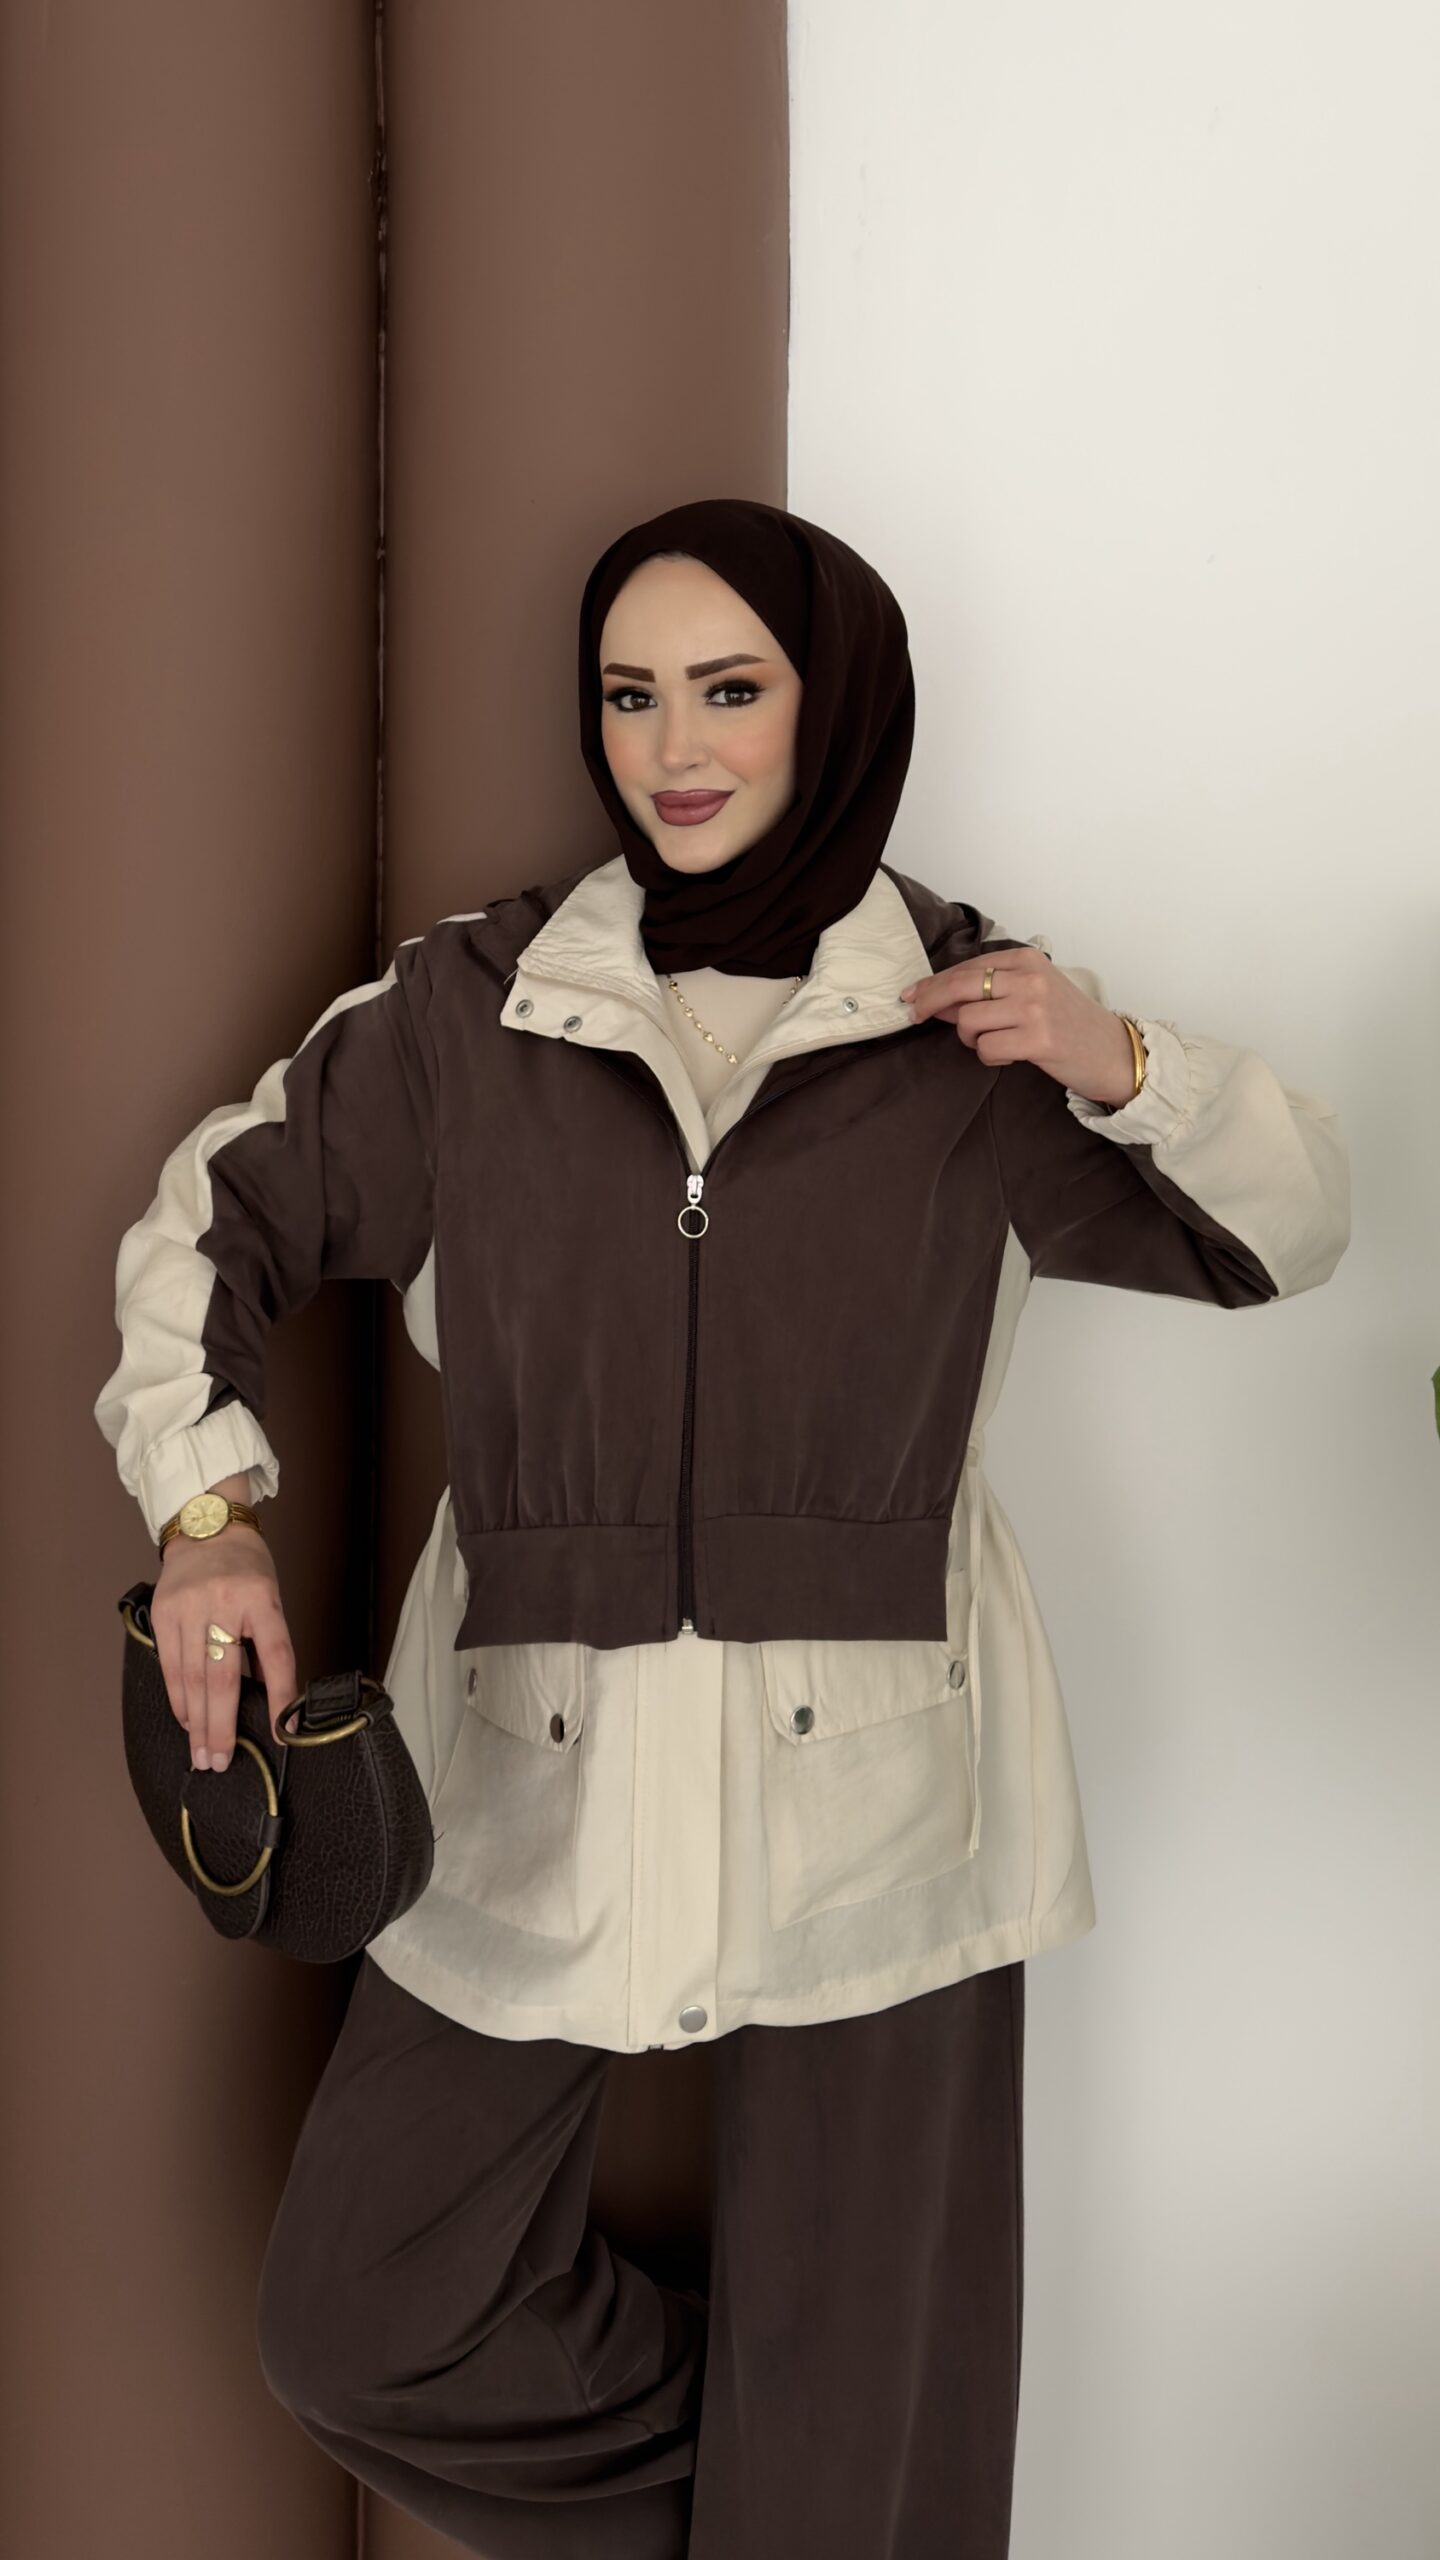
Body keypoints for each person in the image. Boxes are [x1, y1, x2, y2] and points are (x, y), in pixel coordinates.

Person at [93, 496, 1350, 2556]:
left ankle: (839, 2491)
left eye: (731, 690)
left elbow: (1292, 1231)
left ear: (832, 704)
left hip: (899, 1815)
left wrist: (1120, 1058)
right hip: (519, 1783)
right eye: (631, 694)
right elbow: (203, 1228)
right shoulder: (471, 1012)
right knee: (363, 2321)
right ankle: (827, 2500)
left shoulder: (970, 1026)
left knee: (861, 2403)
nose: (673, 746)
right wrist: (206, 1509)